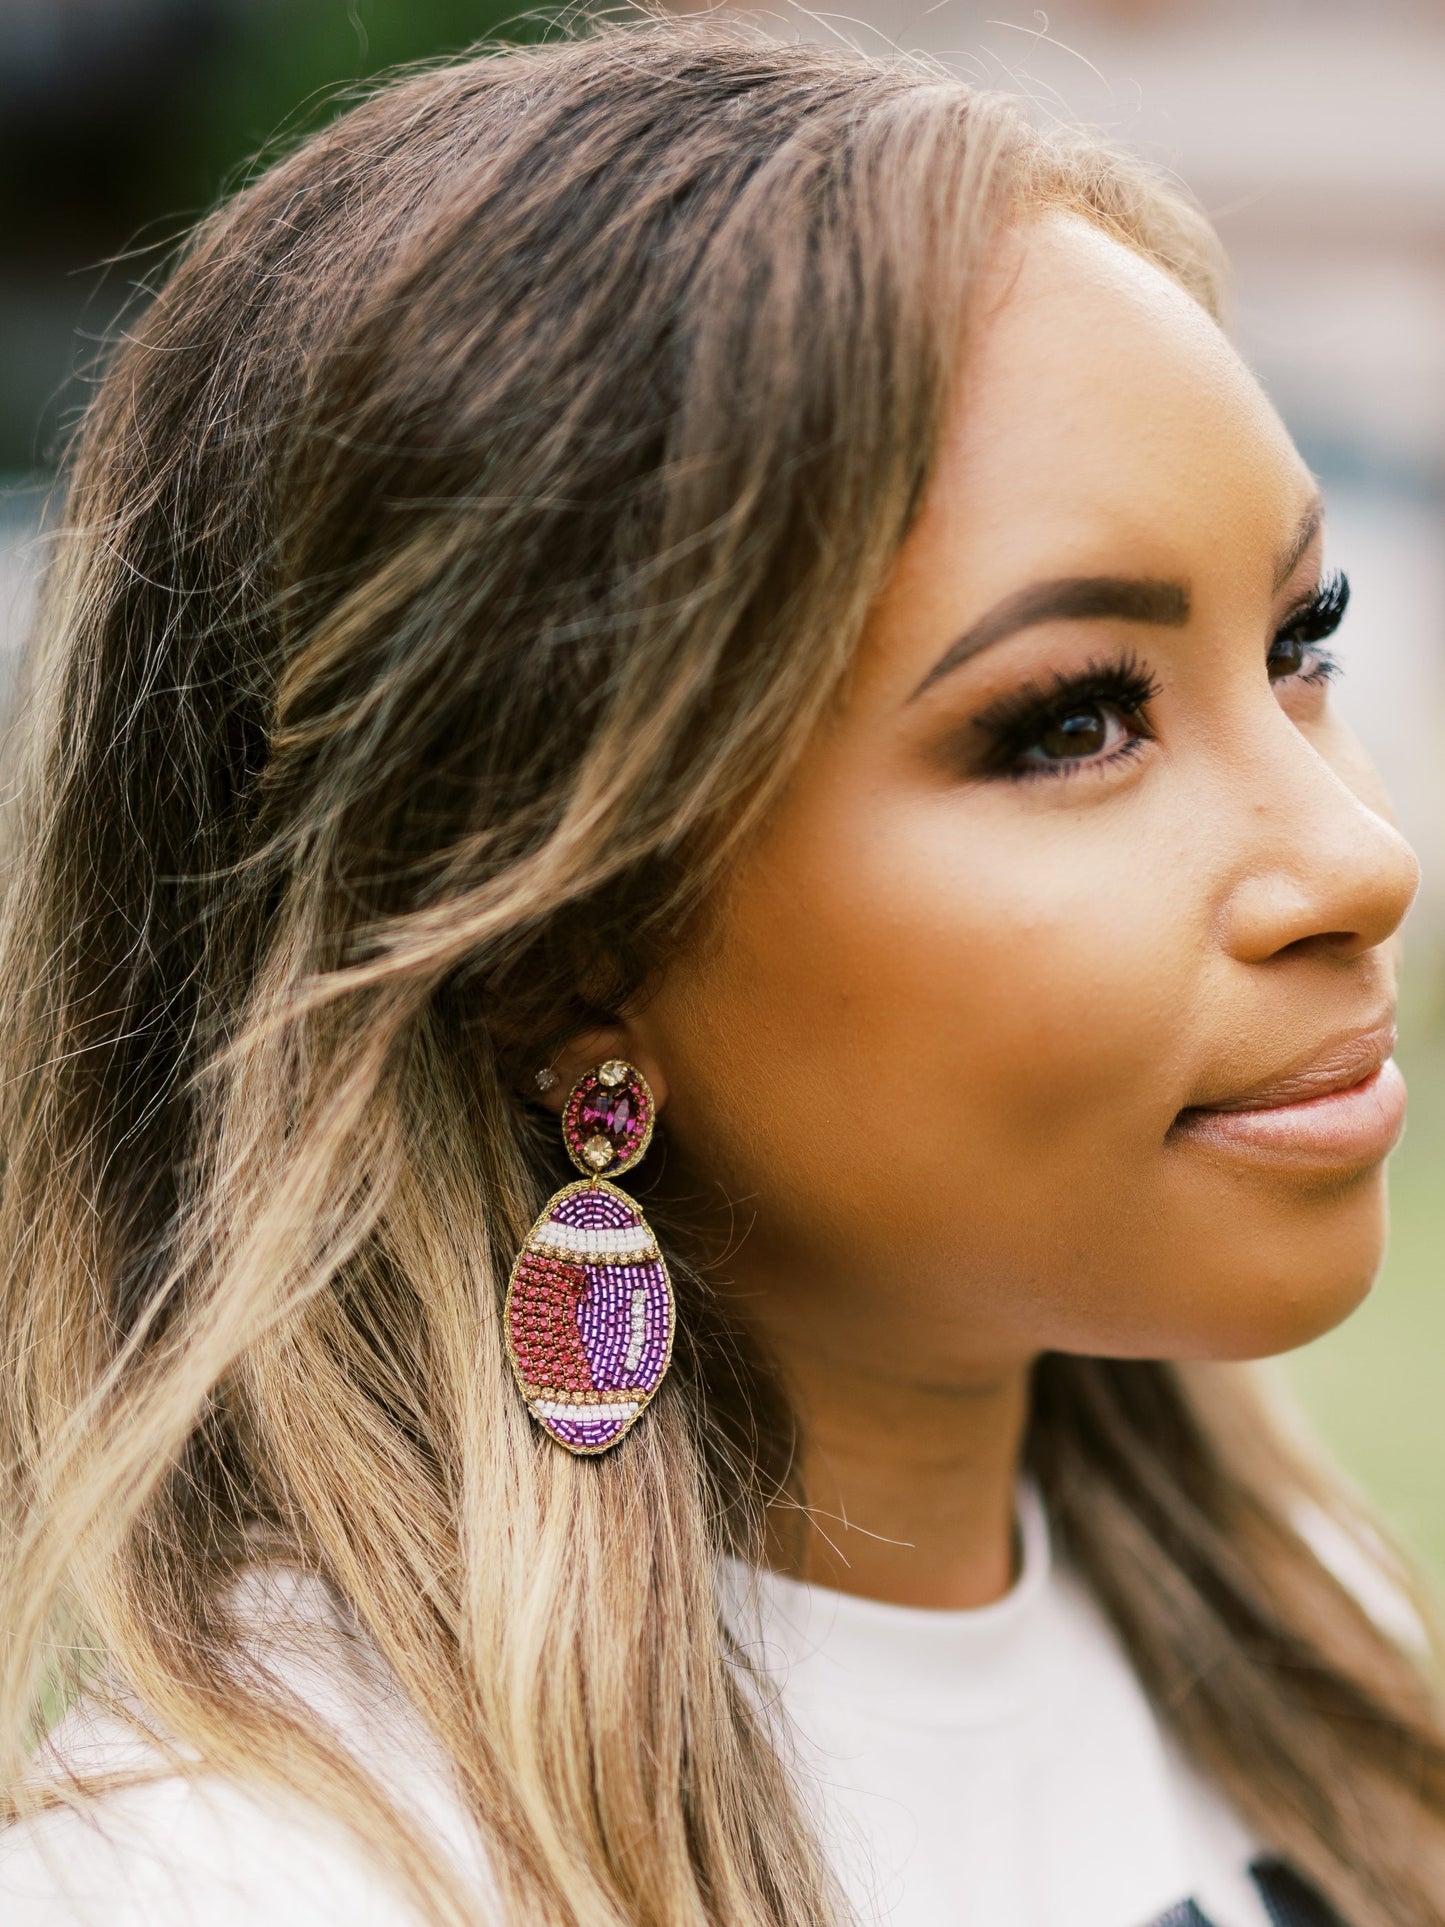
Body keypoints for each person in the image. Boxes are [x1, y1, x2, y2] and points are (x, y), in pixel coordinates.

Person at [0, 16, 1440, 1926]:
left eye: (1296, 638)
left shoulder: (1317, 1661)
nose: (1358, 859)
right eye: (1071, 722)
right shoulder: (257, 1875)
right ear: (547, 948)